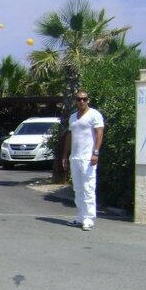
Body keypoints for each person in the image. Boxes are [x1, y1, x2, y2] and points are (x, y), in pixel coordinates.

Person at [61, 90, 104, 231]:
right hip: (75, 157)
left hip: (88, 158)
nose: (82, 102)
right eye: (79, 99)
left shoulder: (94, 115)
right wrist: (65, 155)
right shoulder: (73, 117)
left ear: (88, 100)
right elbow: (69, 136)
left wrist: (95, 153)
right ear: (75, 101)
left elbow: (99, 133)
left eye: (84, 99)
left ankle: (89, 219)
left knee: (88, 188)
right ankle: (80, 217)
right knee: (78, 189)